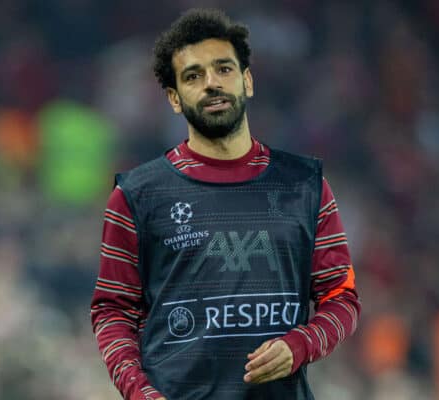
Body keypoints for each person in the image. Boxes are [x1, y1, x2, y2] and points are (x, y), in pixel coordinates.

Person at [91, 8, 360, 400]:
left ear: (248, 81)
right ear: (174, 98)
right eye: (193, 76)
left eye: (224, 69)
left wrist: (299, 345)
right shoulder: (136, 195)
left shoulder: (306, 188)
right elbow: (112, 311)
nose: (212, 84)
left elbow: (342, 297)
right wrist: (139, 392)